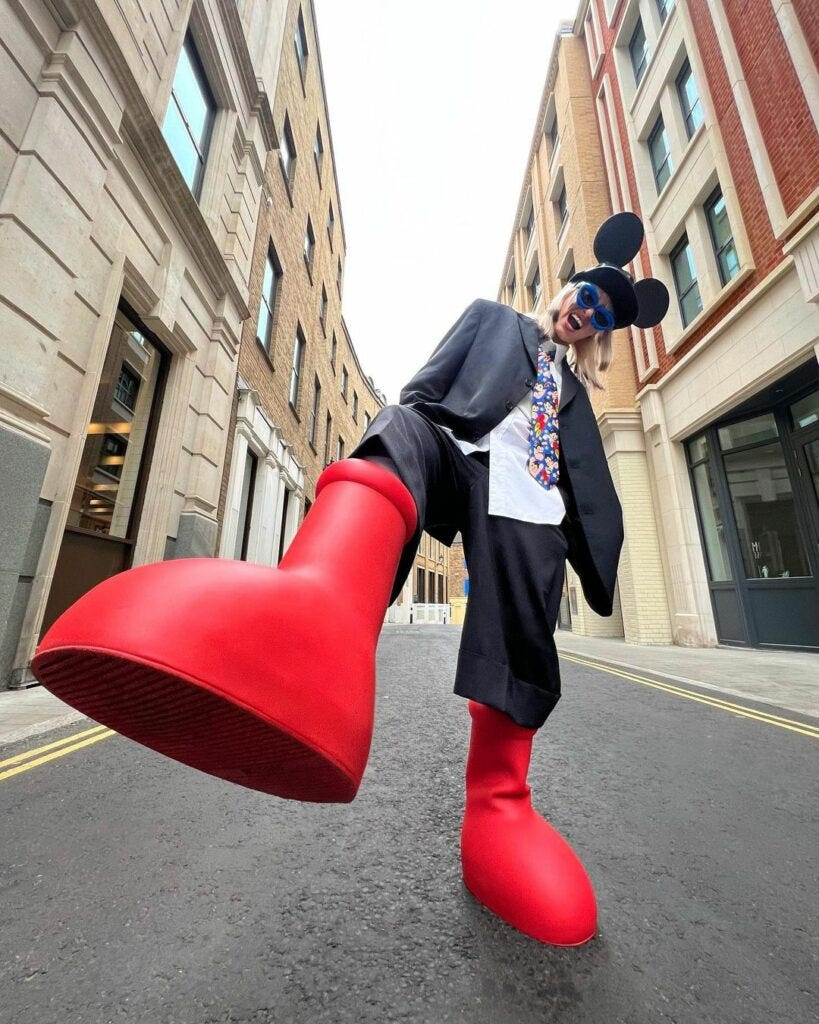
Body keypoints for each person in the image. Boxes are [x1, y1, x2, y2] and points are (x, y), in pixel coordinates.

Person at [32, 212, 669, 948]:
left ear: (599, 334)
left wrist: (582, 548)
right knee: (397, 427)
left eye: (599, 315)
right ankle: (317, 610)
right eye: (584, 297)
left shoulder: (575, 398)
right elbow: (425, 389)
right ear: (566, 291)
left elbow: (589, 488)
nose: (584, 313)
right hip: (456, 455)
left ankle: (499, 805)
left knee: (528, 599)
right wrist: (422, 439)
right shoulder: (493, 320)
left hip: (524, 499)